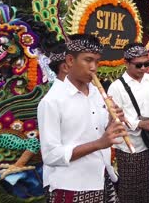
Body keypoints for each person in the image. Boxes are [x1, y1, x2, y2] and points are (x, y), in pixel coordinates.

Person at [38, 34, 127, 202]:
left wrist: (112, 122)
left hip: (102, 180)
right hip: (71, 186)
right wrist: (98, 144)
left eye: (97, 61)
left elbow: (99, 134)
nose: (94, 67)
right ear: (70, 61)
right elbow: (50, 155)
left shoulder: (97, 94)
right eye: (88, 60)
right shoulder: (52, 101)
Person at [107, 43, 149, 202]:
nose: (143, 68)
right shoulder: (116, 88)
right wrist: (138, 124)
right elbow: (116, 118)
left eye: (146, 64)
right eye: (138, 65)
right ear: (127, 63)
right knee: (131, 192)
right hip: (130, 147)